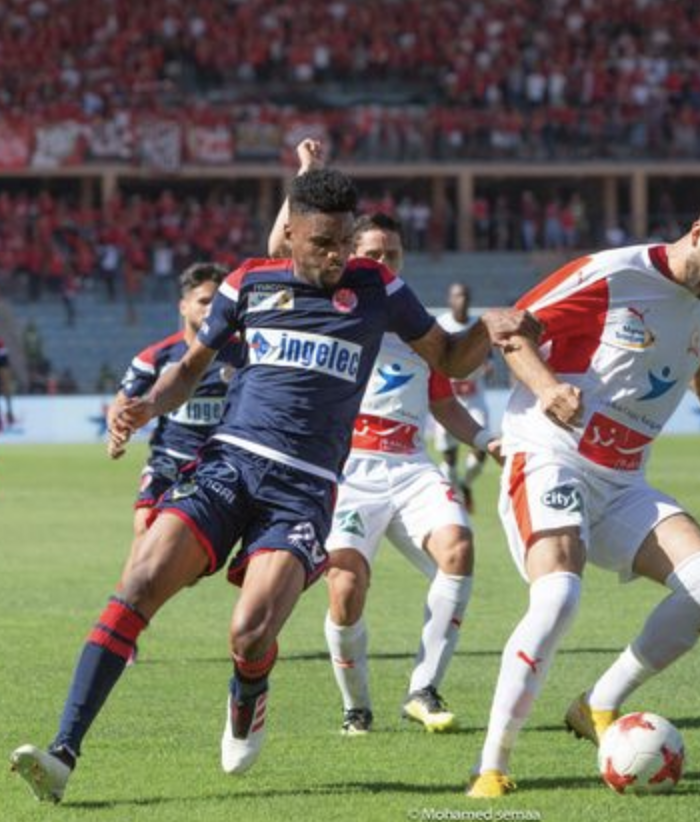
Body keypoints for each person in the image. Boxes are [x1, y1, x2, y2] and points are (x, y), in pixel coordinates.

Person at [10, 167, 537, 803]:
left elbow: (449, 358)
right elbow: (190, 369)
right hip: (228, 465)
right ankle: (63, 753)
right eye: (323, 243)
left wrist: (487, 329)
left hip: (304, 489)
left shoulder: (376, 287)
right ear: (289, 235)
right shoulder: (248, 282)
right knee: (140, 581)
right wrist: (149, 405)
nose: (337, 256)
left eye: (344, 241)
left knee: (251, 632)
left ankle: (249, 691)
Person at [466, 171, 700, 798]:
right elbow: (512, 331)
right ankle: (492, 766)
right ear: (696, 232)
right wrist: (548, 387)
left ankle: (598, 703)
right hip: (549, 455)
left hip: (622, 483)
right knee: (558, 597)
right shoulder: (613, 274)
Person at [323, 213, 501, 735]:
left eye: (392, 255)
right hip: (349, 471)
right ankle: (356, 708)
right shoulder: (328, 315)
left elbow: (443, 403)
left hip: (409, 465)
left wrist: (488, 441)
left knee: (458, 549)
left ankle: (423, 689)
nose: (383, 263)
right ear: (350, 255)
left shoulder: (421, 328)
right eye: (372, 255)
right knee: (346, 588)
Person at [106, 262, 244, 595]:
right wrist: (118, 430)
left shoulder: (243, 352)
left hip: (219, 464)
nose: (210, 309)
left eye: (216, 302)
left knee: (183, 564)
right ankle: (121, 614)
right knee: (144, 525)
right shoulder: (157, 356)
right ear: (183, 306)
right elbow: (121, 403)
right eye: (203, 301)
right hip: (169, 457)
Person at [434, 283, 493, 512]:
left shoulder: (478, 326)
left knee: (483, 447)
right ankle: (452, 499)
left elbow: (488, 357)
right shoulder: (441, 325)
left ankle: (465, 484)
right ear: (450, 300)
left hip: (475, 398)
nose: (462, 300)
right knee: (449, 457)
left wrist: (488, 366)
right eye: (458, 296)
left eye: (465, 296)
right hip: (447, 398)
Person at [0, 335, 15, 429]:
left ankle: (9, 412)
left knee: (6, 388)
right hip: (3, 361)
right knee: (6, 388)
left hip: (2, 361)